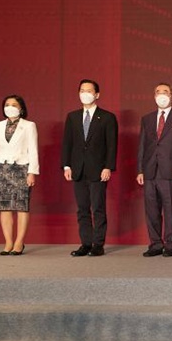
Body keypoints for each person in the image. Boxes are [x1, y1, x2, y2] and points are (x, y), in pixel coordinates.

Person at [61, 79, 118, 257]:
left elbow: (112, 145)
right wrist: (66, 165)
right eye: (82, 90)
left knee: (98, 207)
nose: (85, 93)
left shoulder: (107, 117)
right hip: (78, 169)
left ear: (97, 95)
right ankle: (85, 243)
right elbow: (67, 143)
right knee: (82, 208)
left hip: (98, 170)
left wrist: (108, 167)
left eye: (89, 90)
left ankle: (98, 244)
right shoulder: (72, 117)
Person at [136, 83, 172, 257]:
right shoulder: (147, 119)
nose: (162, 95)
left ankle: (170, 243)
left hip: (171, 172)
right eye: (158, 92)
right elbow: (142, 146)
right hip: (150, 171)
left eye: (165, 92)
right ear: (154, 96)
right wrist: (140, 170)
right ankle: (155, 243)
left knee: (170, 209)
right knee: (151, 210)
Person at [0, 95, 39, 256]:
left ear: (21, 108)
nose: (10, 107)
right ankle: (8, 242)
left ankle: (19, 242)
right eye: (7, 104)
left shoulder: (29, 126)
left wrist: (32, 172)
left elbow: (33, 149)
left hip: (21, 168)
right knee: (5, 207)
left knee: (21, 207)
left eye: (14, 104)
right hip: (2, 168)